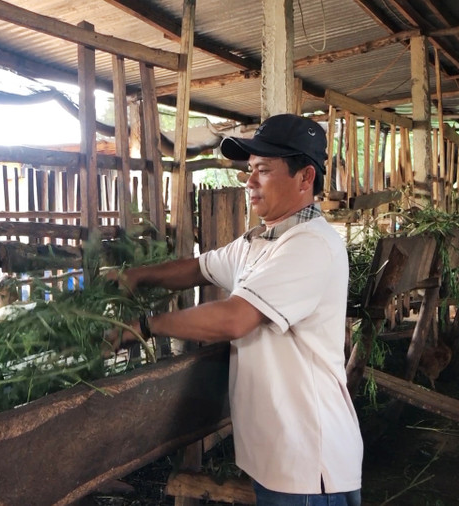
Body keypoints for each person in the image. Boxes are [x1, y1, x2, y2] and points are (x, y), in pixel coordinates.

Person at [104, 114, 363, 505]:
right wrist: (135, 277)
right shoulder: (261, 241)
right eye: (248, 170)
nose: (249, 181)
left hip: (309, 460)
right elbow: (198, 267)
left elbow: (235, 318)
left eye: (262, 170)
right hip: (279, 454)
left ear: (305, 177)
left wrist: (145, 324)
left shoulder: (310, 246)